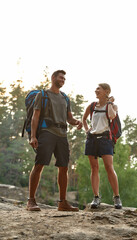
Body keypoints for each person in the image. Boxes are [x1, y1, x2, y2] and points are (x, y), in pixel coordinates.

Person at [26, 70, 82, 211]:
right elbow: (35, 116)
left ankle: (62, 203)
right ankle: (31, 201)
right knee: (39, 165)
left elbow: (69, 118)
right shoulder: (42, 95)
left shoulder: (65, 98)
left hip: (62, 135)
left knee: (64, 167)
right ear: (53, 78)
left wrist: (76, 122)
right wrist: (33, 136)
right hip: (47, 133)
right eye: (60, 77)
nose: (63, 80)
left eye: (64, 78)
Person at [82, 83, 122, 209]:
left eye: (98, 88)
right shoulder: (92, 106)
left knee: (109, 167)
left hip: (105, 139)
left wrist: (109, 103)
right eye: (96, 88)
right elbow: (84, 119)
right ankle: (96, 197)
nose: (96, 90)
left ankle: (116, 197)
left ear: (106, 91)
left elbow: (111, 116)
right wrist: (87, 130)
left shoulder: (113, 106)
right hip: (92, 139)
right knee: (94, 168)